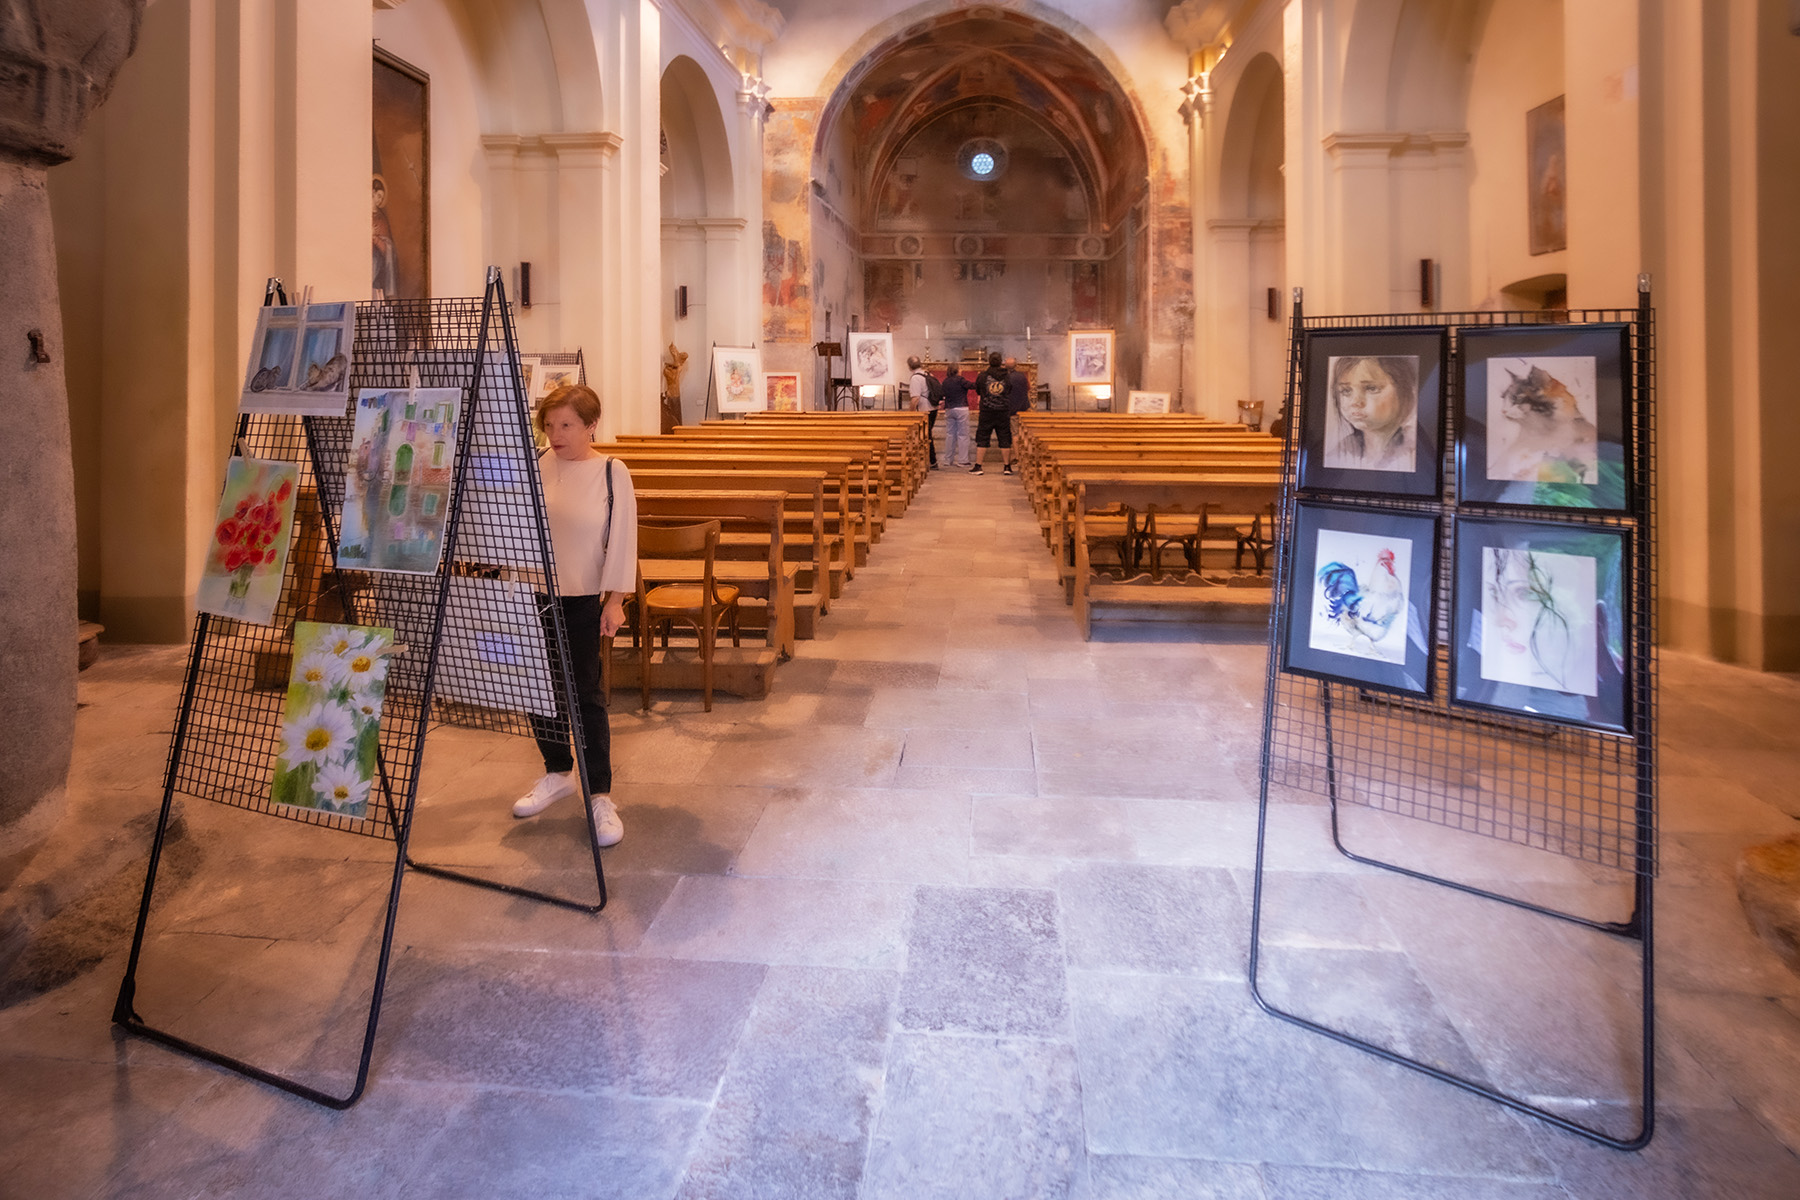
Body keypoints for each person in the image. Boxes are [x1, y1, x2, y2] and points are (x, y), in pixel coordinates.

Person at [514, 383, 637, 846]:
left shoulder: (610, 472)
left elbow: (623, 538)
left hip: (582, 597)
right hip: (530, 594)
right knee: (537, 689)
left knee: (586, 693)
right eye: (549, 425)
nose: (555, 434)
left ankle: (600, 793)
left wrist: (615, 599)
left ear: (590, 426)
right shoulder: (533, 466)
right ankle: (557, 771)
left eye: (566, 425)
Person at [1323, 355, 1418, 472]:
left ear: (1404, 391)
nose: (1355, 402)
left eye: (1371, 388)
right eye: (1346, 390)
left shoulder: (1414, 452)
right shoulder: (1339, 452)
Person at [972, 350, 1015, 475]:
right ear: (1001, 362)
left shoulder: (983, 376)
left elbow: (978, 390)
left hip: (987, 410)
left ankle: (978, 466)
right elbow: (1009, 390)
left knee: (982, 437)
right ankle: (1007, 467)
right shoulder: (1007, 376)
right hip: (1003, 410)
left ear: (989, 362)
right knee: (1005, 437)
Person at [907, 356, 938, 468]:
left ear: (909, 366)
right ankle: (928, 460)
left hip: (924, 410)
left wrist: (910, 414)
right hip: (933, 408)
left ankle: (932, 461)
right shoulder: (928, 374)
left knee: (926, 436)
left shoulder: (915, 378)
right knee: (927, 435)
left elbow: (915, 398)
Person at [940, 364, 972, 467]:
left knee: (950, 434)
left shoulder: (945, 381)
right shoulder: (960, 380)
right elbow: (972, 386)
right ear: (957, 370)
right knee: (963, 434)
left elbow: (942, 393)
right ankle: (962, 460)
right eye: (960, 368)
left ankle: (948, 460)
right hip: (961, 408)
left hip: (949, 408)